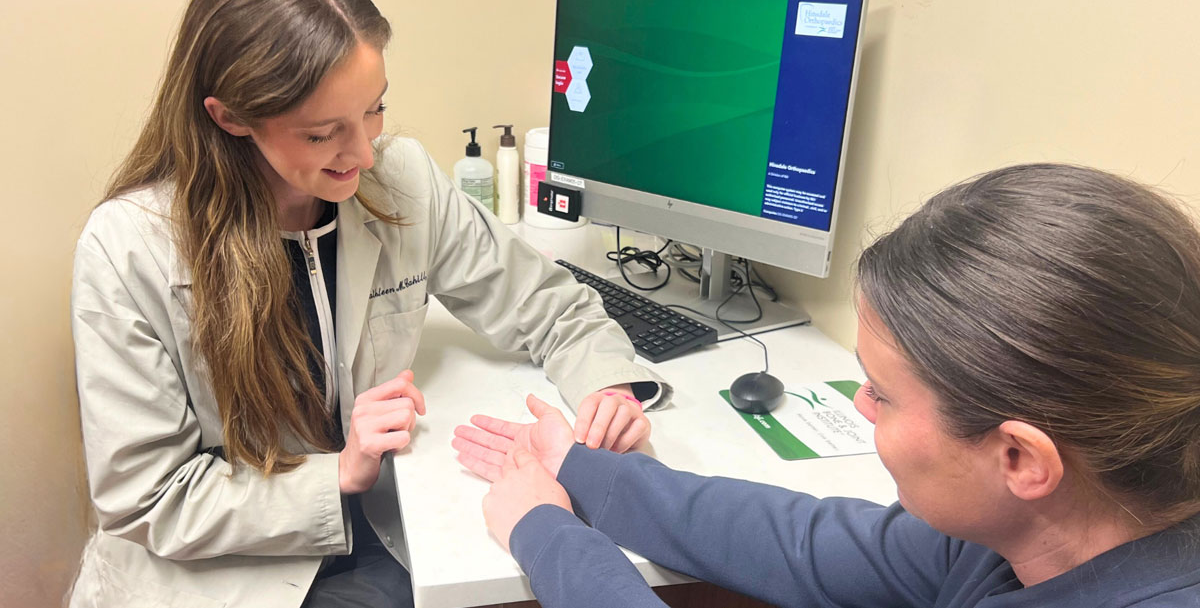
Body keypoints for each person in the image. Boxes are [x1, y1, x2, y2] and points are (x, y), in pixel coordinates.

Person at [69, 0, 669, 608]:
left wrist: (609, 392)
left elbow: (549, 305)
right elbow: (148, 498)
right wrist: (340, 474)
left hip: (381, 542)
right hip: (219, 575)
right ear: (230, 116)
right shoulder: (128, 249)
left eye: (374, 108)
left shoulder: (401, 178)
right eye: (324, 132)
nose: (362, 153)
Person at [453, 162, 1200, 607]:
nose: (858, 401)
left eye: (883, 391)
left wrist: (543, 531)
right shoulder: (1035, 533)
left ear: (1021, 458)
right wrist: (581, 470)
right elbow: (807, 540)